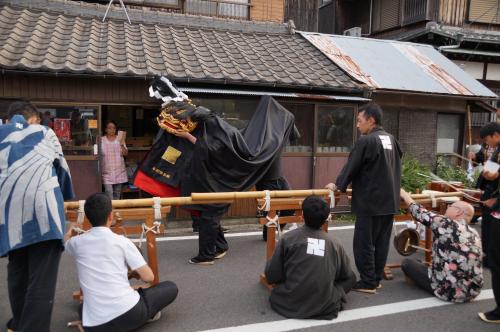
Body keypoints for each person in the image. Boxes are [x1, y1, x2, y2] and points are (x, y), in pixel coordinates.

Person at [1, 101, 74, 332]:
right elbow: (62, 171)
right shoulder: (45, 132)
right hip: (44, 215)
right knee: (40, 282)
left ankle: (19, 323)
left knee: (18, 273)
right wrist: (66, 199)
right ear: (33, 118)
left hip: (9, 218)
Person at [65, 193, 178, 331]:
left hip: (94, 326)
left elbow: (66, 242)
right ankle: (145, 315)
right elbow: (149, 277)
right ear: (111, 216)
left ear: (88, 217)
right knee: (170, 287)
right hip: (129, 314)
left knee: (83, 307)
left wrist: (69, 232)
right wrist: (131, 273)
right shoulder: (122, 242)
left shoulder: (76, 243)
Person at [325, 103, 402, 294]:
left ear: (371, 120)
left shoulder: (366, 141)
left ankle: (368, 282)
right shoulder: (392, 139)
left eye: (360, 121)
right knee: (381, 242)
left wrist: (338, 185)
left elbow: (352, 167)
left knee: (364, 243)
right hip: (389, 201)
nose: (358, 125)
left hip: (370, 202)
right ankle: (375, 279)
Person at [265, 195, 356, 319]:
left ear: (302, 215)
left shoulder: (287, 238)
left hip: (289, 302)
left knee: (276, 267)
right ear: (325, 219)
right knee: (351, 277)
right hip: (324, 304)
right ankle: (323, 295)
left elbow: (272, 275)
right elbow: (345, 274)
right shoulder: (334, 242)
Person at [399, 189, 483, 302]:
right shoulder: (474, 233)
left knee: (408, 263)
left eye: (450, 206)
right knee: (424, 263)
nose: (447, 208)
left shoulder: (446, 224)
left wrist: (404, 194)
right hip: (473, 291)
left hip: (448, 291)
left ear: (458, 212)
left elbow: (419, 212)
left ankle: (438, 285)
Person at [474, 122, 500, 268]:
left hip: (495, 197)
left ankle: (491, 259)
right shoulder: (496, 150)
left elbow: (494, 175)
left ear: (495, 135)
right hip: (490, 193)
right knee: (488, 228)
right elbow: (490, 173)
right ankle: (488, 257)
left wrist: (495, 199)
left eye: (487, 139)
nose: (487, 143)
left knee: (492, 230)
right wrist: (487, 173)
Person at [101, 120, 128, 200]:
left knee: (117, 193)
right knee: (108, 192)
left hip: (119, 171)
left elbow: (125, 153)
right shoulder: (101, 140)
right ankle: (110, 210)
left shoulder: (119, 139)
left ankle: (116, 211)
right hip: (106, 171)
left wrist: (122, 143)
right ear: (106, 129)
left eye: (114, 128)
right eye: (109, 128)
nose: (112, 130)